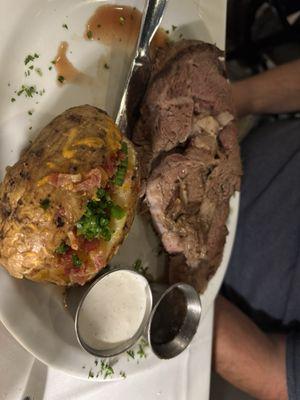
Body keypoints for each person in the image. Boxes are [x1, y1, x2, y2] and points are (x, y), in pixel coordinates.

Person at [213, 59, 300, 400]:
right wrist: (233, 101)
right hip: (237, 139)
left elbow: (273, 370)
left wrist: (173, 297)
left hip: (212, 284)